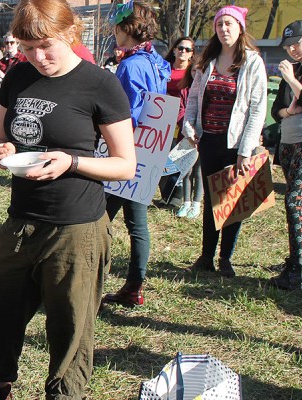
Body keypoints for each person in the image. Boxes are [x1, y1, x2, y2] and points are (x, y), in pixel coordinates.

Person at [0, 0, 136, 397]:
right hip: (21, 222)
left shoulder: (100, 84)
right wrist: (2, 150)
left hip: (76, 227)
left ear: (69, 33)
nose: (38, 57)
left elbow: (125, 165)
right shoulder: (18, 76)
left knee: (69, 332)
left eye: (46, 46)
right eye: (28, 48)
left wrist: (71, 161)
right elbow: (1, 137)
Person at [182, 5, 267, 278]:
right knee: (211, 199)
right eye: (219, 24)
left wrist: (245, 150)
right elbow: (194, 98)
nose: (224, 29)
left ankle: (225, 259)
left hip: (236, 145)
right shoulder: (207, 61)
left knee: (232, 202)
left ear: (240, 28)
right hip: (209, 140)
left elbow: (257, 108)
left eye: (229, 24)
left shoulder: (252, 62)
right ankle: (206, 256)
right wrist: (188, 124)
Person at [101, 0, 170, 308]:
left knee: (97, 219)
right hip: (149, 150)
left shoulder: (131, 65)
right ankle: (134, 286)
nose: (114, 33)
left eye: (116, 27)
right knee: (137, 224)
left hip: (127, 150)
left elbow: (123, 113)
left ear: (126, 29)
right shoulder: (155, 59)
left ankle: (92, 284)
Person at [267, 21, 302, 290]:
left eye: (296, 44)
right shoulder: (295, 66)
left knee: (295, 200)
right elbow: (277, 110)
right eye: (287, 46)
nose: (291, 50)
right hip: (288, 143)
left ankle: (296, 268)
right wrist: (289, 110)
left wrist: (291, 80)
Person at [163, 37, 202, 218]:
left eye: (188, 49)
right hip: (163, 119)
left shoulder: (194, 74)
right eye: (180, 47)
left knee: (183, 161)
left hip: (184, 123)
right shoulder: (164, 68)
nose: (183, 51)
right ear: (174, 49)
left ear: (192, 53)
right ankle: (167, 194)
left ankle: (178, 198)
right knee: (165, 159)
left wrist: (185, 124)